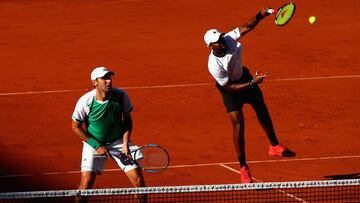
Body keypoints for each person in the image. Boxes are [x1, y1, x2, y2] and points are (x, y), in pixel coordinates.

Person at [204, 8, 295, 183]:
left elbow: (247, 26)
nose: (222, 41)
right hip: (229, 89)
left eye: (221, 38)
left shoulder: (228, 39)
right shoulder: (213, 65)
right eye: (217, 41)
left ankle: (274, 145)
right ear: (210, 46)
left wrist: (263, 14)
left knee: (262, 109)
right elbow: (229, 87)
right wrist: (253, 83)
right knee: (238, 125)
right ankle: (243, 167)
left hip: (244, 77)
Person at [71, 67, 146, 201]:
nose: (108, 81)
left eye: (109, 77)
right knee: (85, 185)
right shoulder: (85, 101)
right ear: (95, 82)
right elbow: (75, 126)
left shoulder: (121, 96)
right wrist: (96, 145)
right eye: (104, 78)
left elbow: (127, 121)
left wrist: (125, 144)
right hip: (93, 143)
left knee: (139, 183)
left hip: (118, 143)